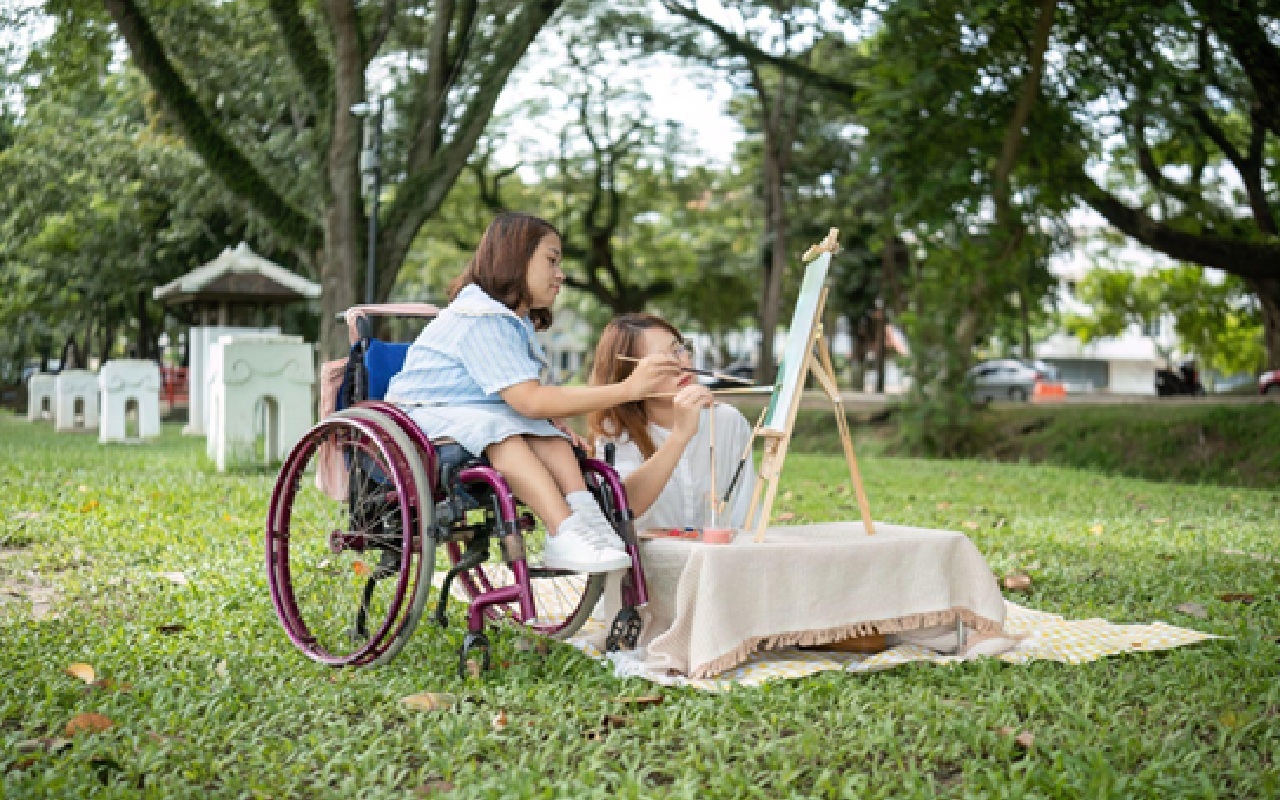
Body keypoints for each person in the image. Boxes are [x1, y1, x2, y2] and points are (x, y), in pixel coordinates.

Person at [385, 213, 680, 574]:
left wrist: (555, 422)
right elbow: (529, 399)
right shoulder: (480, 318)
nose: (561, 274)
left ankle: (586, 517)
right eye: (551, 260)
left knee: (551, 437)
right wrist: (627, 389)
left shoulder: (512, 321)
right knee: (506, 435)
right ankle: (563, 530)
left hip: (476, 412)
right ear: (515, 258)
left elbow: (529, 395)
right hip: (420, 417)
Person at [587, 314, 756, 531]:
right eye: (659, 362)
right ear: (628, 375)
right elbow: (622, 506)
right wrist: (680, 436)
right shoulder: (615, 431)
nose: (680, 365)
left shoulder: (727, 420)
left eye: (678, 350)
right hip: (648, 561)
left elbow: (745, 510)